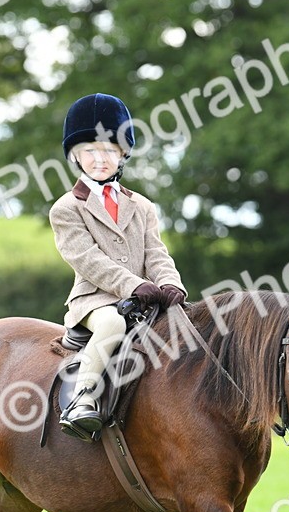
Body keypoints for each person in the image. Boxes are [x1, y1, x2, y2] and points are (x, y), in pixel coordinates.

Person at [50, 93, 188, 440]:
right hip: (95, 301)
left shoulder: (142, 206)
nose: (100, 159)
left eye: (110, 151)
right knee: (112, 323)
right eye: (90, 151)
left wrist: (171, 283)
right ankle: (82, 399)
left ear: (123, 154)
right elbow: (88, 260)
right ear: (75, 156)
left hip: (144, 299)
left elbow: (156, 253)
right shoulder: (66, 209)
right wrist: (132, 285)